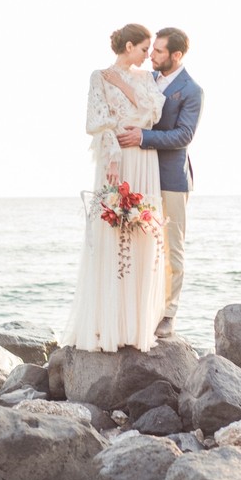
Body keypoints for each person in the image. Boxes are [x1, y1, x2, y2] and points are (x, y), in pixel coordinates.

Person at [62, 23, 166, 352]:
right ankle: (107, 324)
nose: (148, 55)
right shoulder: (98, 77)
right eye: (143, 48)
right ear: (128, 45)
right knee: (111, 233)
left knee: (141, 231)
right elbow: (96, 122)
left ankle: (136, 327)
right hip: (117, 159)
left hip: (143, 159)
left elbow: (152, 115)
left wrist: (125, 83)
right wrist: (110, 159)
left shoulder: (146, 78)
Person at [117, 27, 203, 338]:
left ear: (176, 56)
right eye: (151, 50)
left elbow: (184, 135)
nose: (151, 55)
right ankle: (141, 306)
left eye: (159, 51)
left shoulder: (192, 90)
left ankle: (168, 313)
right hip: (141, 175)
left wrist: (142, 137)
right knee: (141, 244)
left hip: (170, 178)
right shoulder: (146, 79)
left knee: (172, 248)